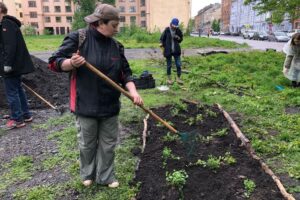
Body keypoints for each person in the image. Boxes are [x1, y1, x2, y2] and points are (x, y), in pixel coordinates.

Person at [48, 3, 143, 188]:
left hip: (110, 104)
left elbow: (126, 74)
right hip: (85, 103)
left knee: (108, 145)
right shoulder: (79, 38)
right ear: (100, 23)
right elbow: (54, 63)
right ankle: (87, 173)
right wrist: (71, 63)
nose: (117, 29)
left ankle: (106, 176)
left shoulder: (116, 46)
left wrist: (133, 92)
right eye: (114, 25)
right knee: (87, 144)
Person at [0, 2, 34, 130]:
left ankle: (17, 119)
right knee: (18, 89)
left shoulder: (6, 24)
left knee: (12, 92)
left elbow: (9, 46)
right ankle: (26, 115)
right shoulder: (6, 24)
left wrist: (7, 64)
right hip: (15, 65)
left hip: (11, 66)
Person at [160, 18, 183, 84]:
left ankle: (178, 78)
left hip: (176, 51)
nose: (174, 27)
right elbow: (162, 38)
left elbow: (181, 39)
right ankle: (169, 79)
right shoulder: (167, 30)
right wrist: (161, 44)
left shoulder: (178, 30)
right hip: (168, 51)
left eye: (176, 26)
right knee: (169, 65)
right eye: (174, 25)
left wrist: (178, 37)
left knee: (178, 65)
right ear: (171, 24)